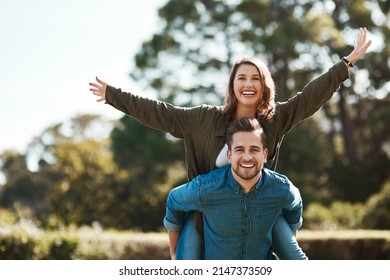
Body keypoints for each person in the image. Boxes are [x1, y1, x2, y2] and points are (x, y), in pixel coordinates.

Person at [89, 27, 371, 259]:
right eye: (242, 78)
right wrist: (114, 95)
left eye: (255, 78)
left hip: (260, 210)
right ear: (232, 85)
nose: (248, 84)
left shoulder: (276, 118)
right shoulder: (203, 119)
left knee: (297, 261)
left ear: (264, 85)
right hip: (205, 214)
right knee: (185, 266)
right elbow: (159, 112)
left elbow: (311, 96)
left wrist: (347, 62)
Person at [164, 117, 303, 260]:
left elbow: (295, 205)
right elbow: (174, 200)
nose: (247, 157)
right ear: (229, 155)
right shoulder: (205, 189)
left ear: (265, 155)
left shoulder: (282, 189)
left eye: (254, 150)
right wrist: (174, 251)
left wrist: (288, 242)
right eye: (239, 150)